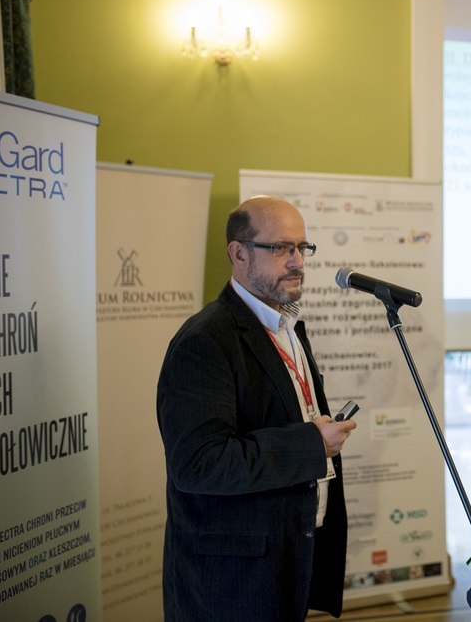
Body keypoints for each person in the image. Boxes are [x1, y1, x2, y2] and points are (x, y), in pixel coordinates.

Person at [157, 195, 355, 621]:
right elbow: (198, 464)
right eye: (281, 248)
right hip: (230, 585)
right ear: (239, 253)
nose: (298, 261)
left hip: (283, 562)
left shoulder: (286, 326)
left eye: (302, 247)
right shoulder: (204, 341)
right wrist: (311, 444)